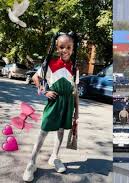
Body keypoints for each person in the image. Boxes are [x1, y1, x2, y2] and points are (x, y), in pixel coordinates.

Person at [23, 32, 79, 182]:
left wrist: (77, 112)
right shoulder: (50, 63)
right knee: (43, 131)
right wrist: (44, 91)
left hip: (68, 104)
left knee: (60, 131)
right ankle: (32, 162)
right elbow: (36, 77)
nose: (65, 50)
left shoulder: (74, 67)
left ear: (73, 49)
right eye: (62, 47)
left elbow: (75, 91)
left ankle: (55, 157)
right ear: (57, 48)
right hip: (54, 103)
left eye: (68, 47)